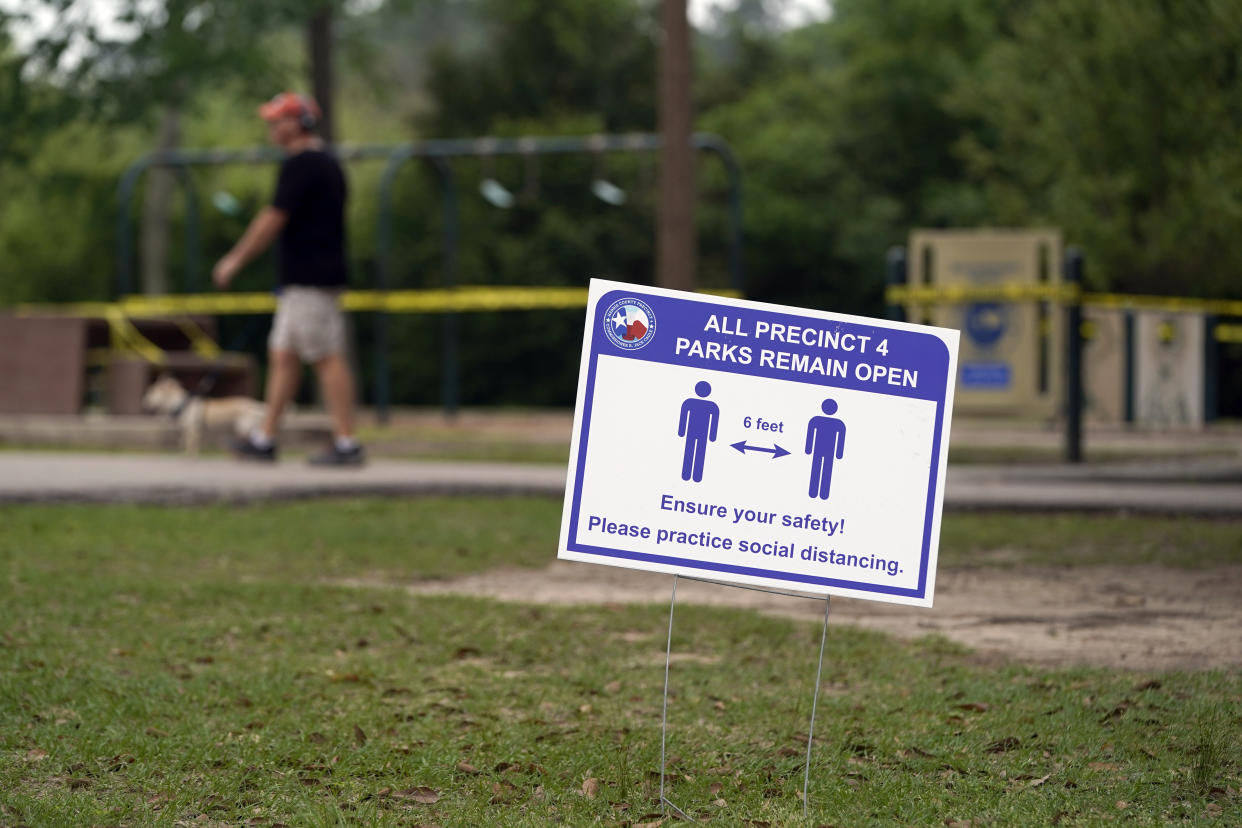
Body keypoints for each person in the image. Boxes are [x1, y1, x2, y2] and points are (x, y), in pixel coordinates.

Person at [213, 92, 364, 466]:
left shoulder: (304, 164)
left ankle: (347, 443)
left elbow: (272, 219)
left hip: (311, 279)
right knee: (283, 355)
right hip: (301, 280)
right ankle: (266, 437)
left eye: (278, 121)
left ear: (300, 123)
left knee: (326, 356)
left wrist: (235, 260)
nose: (271, 128)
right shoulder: (322, 163)